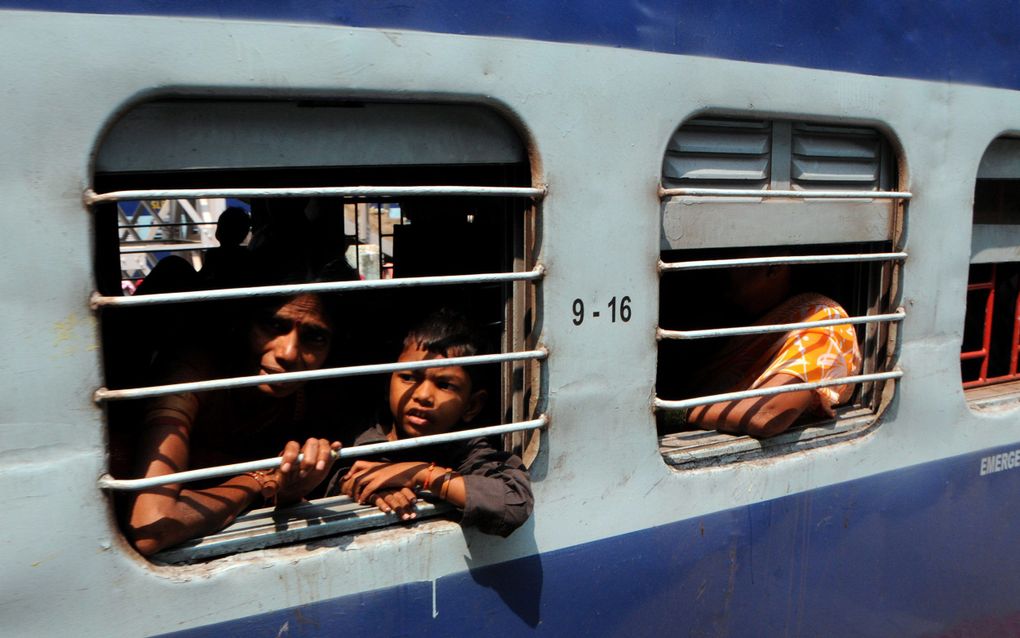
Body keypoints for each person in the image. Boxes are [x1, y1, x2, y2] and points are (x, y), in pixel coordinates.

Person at [125, 292, 347, 556]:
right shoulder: (193, 373)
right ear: (240, 322)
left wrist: (287, 492)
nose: (288, 353)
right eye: (273, 326)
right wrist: (257, 482)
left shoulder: (319, 392)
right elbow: (151, 527)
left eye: (315, 337)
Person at [328, 309, 533, 538]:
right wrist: (357, 487)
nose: (423, 395)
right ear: (388, 385)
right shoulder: (359, 440)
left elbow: (513, 501)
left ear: (472, 405)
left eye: (444, 385)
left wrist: (422, 474)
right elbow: (337, 481)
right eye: (408, 377)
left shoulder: (466, 451)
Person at [685, 263, 861, 438]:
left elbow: (767, 414)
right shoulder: (740, 316)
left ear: (774, 268)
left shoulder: (822, 321)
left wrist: (680, 412)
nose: (720, 267)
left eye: (732, 257)